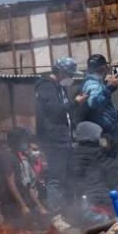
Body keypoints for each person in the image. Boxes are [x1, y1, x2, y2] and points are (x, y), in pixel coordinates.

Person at [36, 56, 85, 212]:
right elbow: (55, 111)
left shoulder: (60, 87)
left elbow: (66, 113)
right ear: (61, 72)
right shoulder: (46, 87)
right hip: (54, 139)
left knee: (70, 176)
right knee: (56, 179)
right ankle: (56, 215)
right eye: (70, 74)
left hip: (65, 138)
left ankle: (71, 211)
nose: (71, 78)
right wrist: (76, 102)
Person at [0, 127, 49, 225]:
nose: (25, 143)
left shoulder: (16, 156)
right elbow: (11, 184)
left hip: (21, 202)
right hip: (11, 205)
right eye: (24, 140)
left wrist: (39, 205)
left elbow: (26, 184)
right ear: (15, 140)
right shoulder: (7, 157)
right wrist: (23, 206)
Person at [80, 54, 118, 147]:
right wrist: (109, 88)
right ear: (103, 67)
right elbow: (94, 103)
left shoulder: (97, 83)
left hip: (105, 132)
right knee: (106, 157)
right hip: (103, 134)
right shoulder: (92, 84)